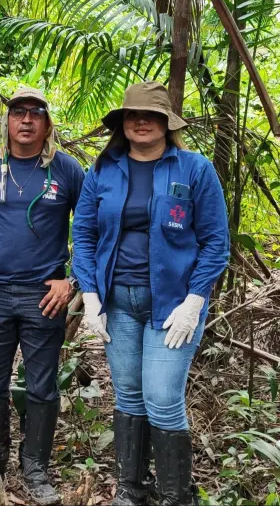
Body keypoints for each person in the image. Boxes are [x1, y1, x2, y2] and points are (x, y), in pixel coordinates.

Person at [72, 82, 229, 506]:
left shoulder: (194, 170)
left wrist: (195, 301)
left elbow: (216, 243)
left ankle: (177, 495)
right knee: (128, 395)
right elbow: (83, 234)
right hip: (118, 304)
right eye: (133, 115)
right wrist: (90, 294)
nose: (141, 122)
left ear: (166, 123)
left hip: (173, 305)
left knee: (161, 397)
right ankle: (132, 487)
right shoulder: (103, 170)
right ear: (122, 123)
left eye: (151, 115)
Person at [0, 87, 85, 505]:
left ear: (47, 124)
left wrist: (72, 278)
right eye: (18, 113)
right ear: (6, 122)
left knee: (42, 385)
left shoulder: (66, 170)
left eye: (35, 113)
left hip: (46, 296)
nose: (26, 120)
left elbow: (92, 225)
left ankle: (36, 467)